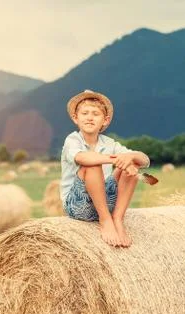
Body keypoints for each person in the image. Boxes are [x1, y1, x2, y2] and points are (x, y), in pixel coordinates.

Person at [60, 89, 150, 247]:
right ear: (75, 118)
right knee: (93, 165)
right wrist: (118, 159)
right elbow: (82, 157)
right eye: (85, 113)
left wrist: (129, 158)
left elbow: (144, 160)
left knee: (133, 163)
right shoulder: (72, 140)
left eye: (95, 114)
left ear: (105, 120)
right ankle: (105, 220)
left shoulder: (109, 143)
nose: (89, 117)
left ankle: (117, 219)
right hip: (78, 204)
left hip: (106, 200)